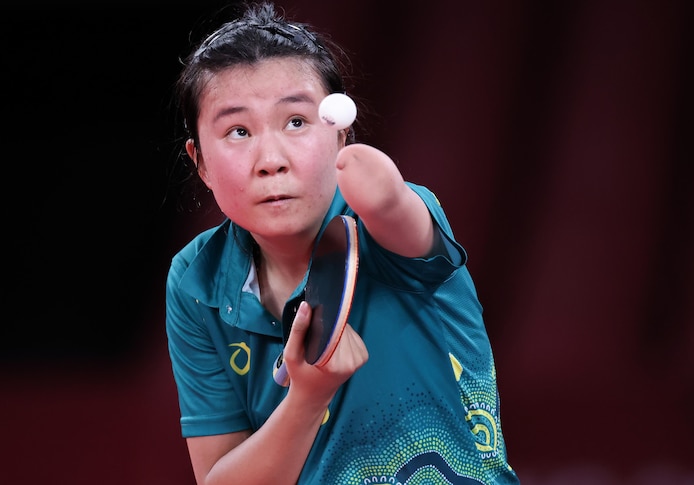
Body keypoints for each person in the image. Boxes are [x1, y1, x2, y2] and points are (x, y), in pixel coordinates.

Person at [164, 2, 519, 483]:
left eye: (296, 122)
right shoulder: (195, 281)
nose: (271, 160)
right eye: (238, 131)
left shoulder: (390, 222)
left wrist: (387, 196)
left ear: (339, 131)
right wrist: (307, 398)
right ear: (200, 161)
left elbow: (403, 222)